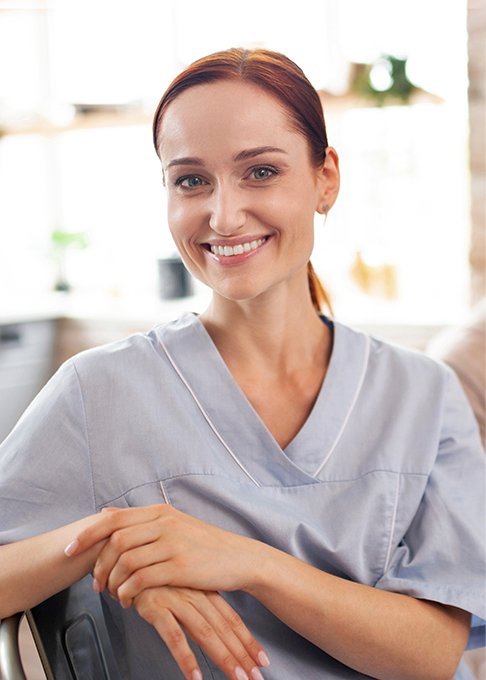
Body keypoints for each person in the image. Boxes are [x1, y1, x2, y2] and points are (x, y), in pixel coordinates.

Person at [0, 48, 484, 680]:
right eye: (191, 180)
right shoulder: (100, 392)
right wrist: (115, 541)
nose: (223, 216)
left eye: (259, 172)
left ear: (325, 178)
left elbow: (431, 653)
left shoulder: (423, 394)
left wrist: (249, 563)